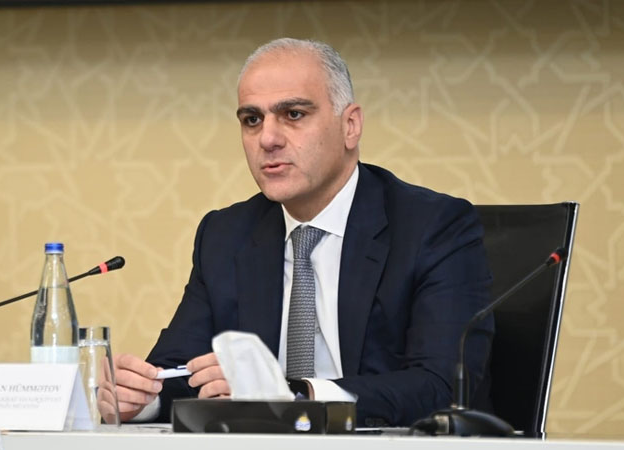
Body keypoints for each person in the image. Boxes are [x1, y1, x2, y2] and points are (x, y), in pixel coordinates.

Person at [98, 38, 493, 427]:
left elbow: (440, 385)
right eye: (252, 120)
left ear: (350, 126)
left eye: (293, 114)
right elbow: (181, 369)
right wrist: (140, 399)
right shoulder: (225, 235)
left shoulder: (433, 227)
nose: (268, 139)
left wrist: (297, 396)